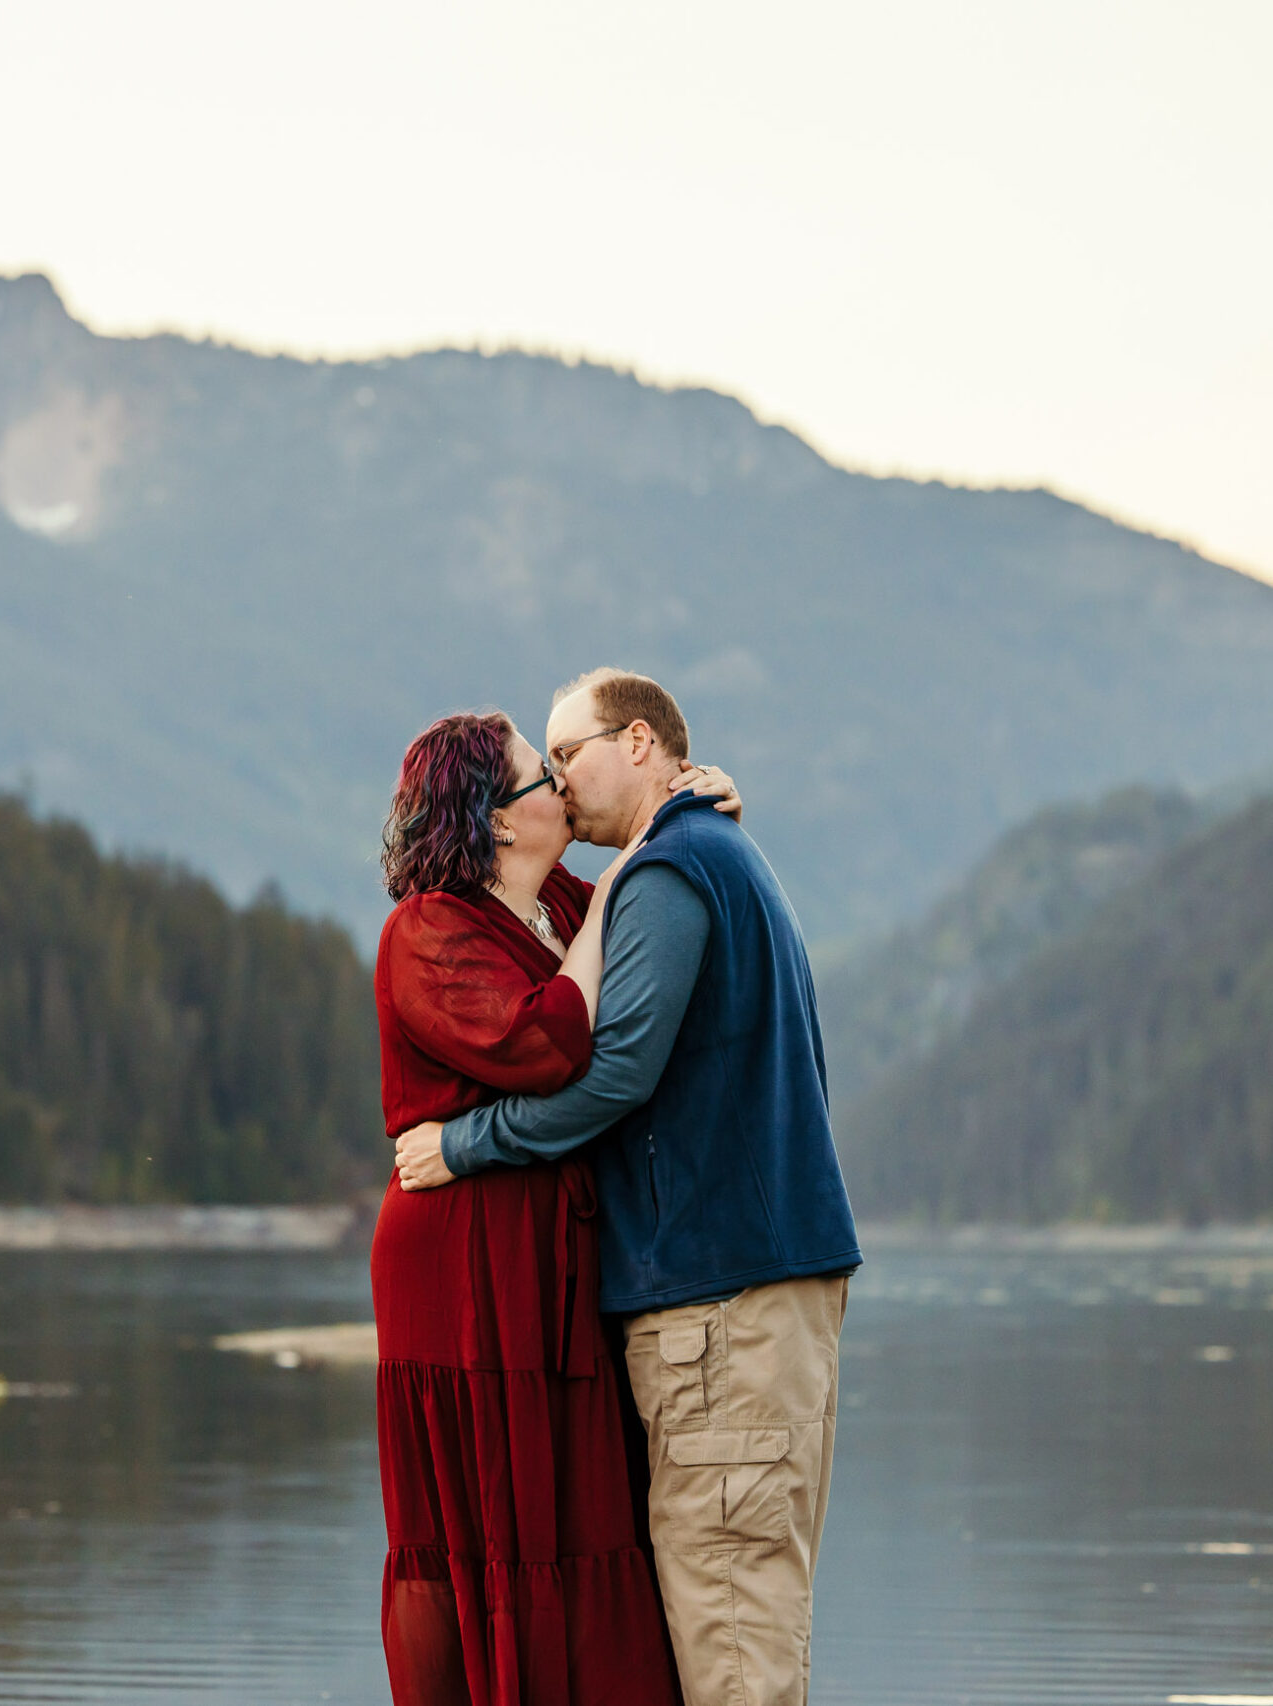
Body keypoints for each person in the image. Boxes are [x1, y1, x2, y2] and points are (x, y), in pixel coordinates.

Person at [395, 669, 860, 1706]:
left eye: (569, 754)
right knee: (743, 1607)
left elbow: (613, 1073)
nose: (557, 783)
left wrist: (465, 1143)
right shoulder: (706, 850)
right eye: (543, 767)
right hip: (755, 1286)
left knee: (731, 1634)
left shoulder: (667, 872)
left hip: (717, 1299)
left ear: (641, 743)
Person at [371, 708, 738, 1706]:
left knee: (575, 1506)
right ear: (494, 819)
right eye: (543, 777)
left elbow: (646, 906)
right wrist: (623, 883)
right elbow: (546, 1045)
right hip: (459, 1255)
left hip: (550, 1252)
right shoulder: (428, 930)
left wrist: (689, 801)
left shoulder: (557, 905)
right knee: (483, 1517)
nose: (562, 790)